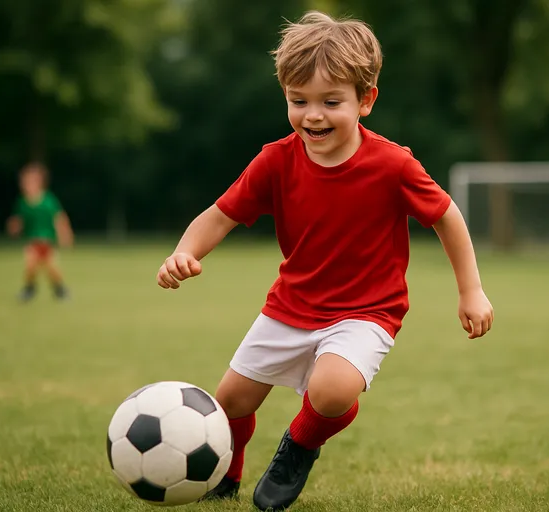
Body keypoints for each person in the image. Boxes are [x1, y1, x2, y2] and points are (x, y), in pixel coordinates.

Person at [156, 11, 493, 511]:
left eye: (330, 102)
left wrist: (471, 290)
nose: (313, 115)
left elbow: (446, 216)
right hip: (289, 307)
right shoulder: (276, 160)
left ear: (366, 100)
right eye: (299, 101)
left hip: (367, 311)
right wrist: (184, 252)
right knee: (229, 403)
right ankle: (227, 471)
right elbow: (220, 215)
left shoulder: (392, 164)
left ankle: (299, 446)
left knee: (331, 390)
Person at [7, 162, 73, 301]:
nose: (26, 185)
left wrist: (65, 235)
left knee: (52, 269)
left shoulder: (48, 201)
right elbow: (18, 220)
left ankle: (60, 289)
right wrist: (14, 227)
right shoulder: (22, 202)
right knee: (30, 265)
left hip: (47, 241)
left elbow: (59, 218)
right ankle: (29, 289)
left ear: (40, 182)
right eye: (24, 181)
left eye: (30, 181)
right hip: (33, 241)